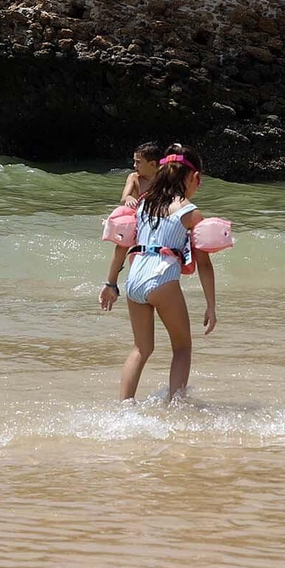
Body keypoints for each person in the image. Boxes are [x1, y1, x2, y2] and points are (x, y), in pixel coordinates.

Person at [99, 145, 218, 401]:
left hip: (134, 280)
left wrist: (111, 283)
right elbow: (204, 264)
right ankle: (176, 408)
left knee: (141, 348)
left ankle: (124, 407)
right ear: (194, 177)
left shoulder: (143, 203)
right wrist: (211, 305)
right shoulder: (190, 212)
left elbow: (122, 245)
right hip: (162, 279)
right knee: (182, 347)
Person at [120, 141, 165, 206]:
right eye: (134, 161)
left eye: (138, 162)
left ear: (152, 164)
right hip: (138, 210)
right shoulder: (134, 178)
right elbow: (123, 200)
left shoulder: (165, 177)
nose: (134, 165)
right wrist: (128, 198)